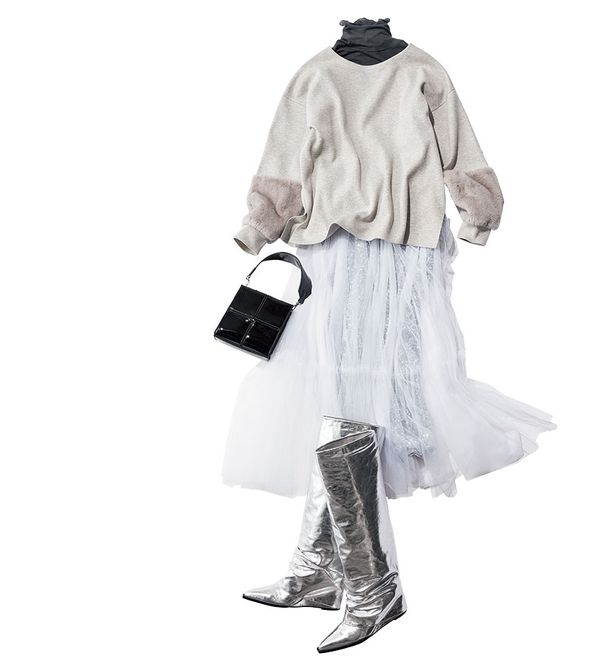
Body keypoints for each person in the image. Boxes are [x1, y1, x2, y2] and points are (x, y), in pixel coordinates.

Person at [223, 18, 556, 653]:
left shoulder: (421, 70)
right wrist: (258, 225)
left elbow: (458, 150)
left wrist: (476, 215)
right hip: (333, 247)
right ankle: (321, 568)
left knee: (359, 403)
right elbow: (284, 156)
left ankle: (373, 586)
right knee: (335, 398)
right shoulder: (318, 72)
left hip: (401, 253)